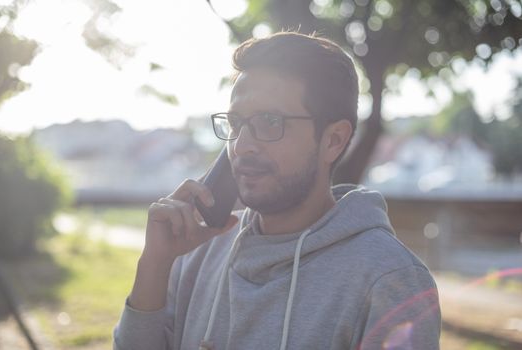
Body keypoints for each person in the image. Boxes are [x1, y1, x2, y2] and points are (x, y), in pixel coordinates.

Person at [114, 31, 441, 350]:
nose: (241, 147)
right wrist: (155, 264)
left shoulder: (388, 279)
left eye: (270, 121)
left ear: (333, 140)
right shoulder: (196, 251)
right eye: (235, 123)